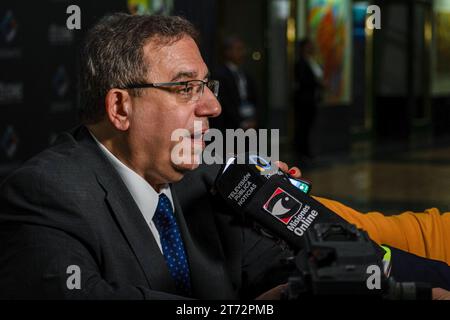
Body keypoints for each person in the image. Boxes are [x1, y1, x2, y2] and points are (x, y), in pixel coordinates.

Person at [0, 13, 448, 300]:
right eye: (184, 88)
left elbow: (272, 267)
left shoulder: (210, 179)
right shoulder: (45, 193)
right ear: (121, 107)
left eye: (207, 87)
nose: (213, 107)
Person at [210, 36, 258, 131]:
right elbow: (224, 103)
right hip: (229, 128)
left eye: (242, 49)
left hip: (248, 122)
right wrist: (241, 122)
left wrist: (253, 120)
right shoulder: (219, 75)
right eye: (239, 49)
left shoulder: (246, 75)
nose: (242, 53)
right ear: (228, 52)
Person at [293, 38, 323, 160]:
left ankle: (306, 151)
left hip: (312, 99)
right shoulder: (300, 63)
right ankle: (301, 152)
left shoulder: (312, 62)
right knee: (302, 126)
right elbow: (303, 81)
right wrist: (317, 84)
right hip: (304, 101)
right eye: (308, 46)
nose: (311, 48)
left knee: (308, 126)